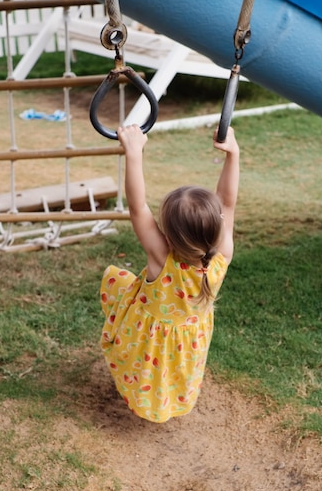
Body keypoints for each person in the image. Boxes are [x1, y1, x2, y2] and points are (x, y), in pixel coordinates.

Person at [100, 124, 239, 423]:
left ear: (170, 236)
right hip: (188, 339)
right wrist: (233, 155)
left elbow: (137, 208)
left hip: (150, 336)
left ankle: (142, 398)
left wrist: (133, 153)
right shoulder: (221, 256)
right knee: (173, 372)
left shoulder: (162, 259)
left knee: (146, 367)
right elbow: (227, 202)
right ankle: (167, 402)